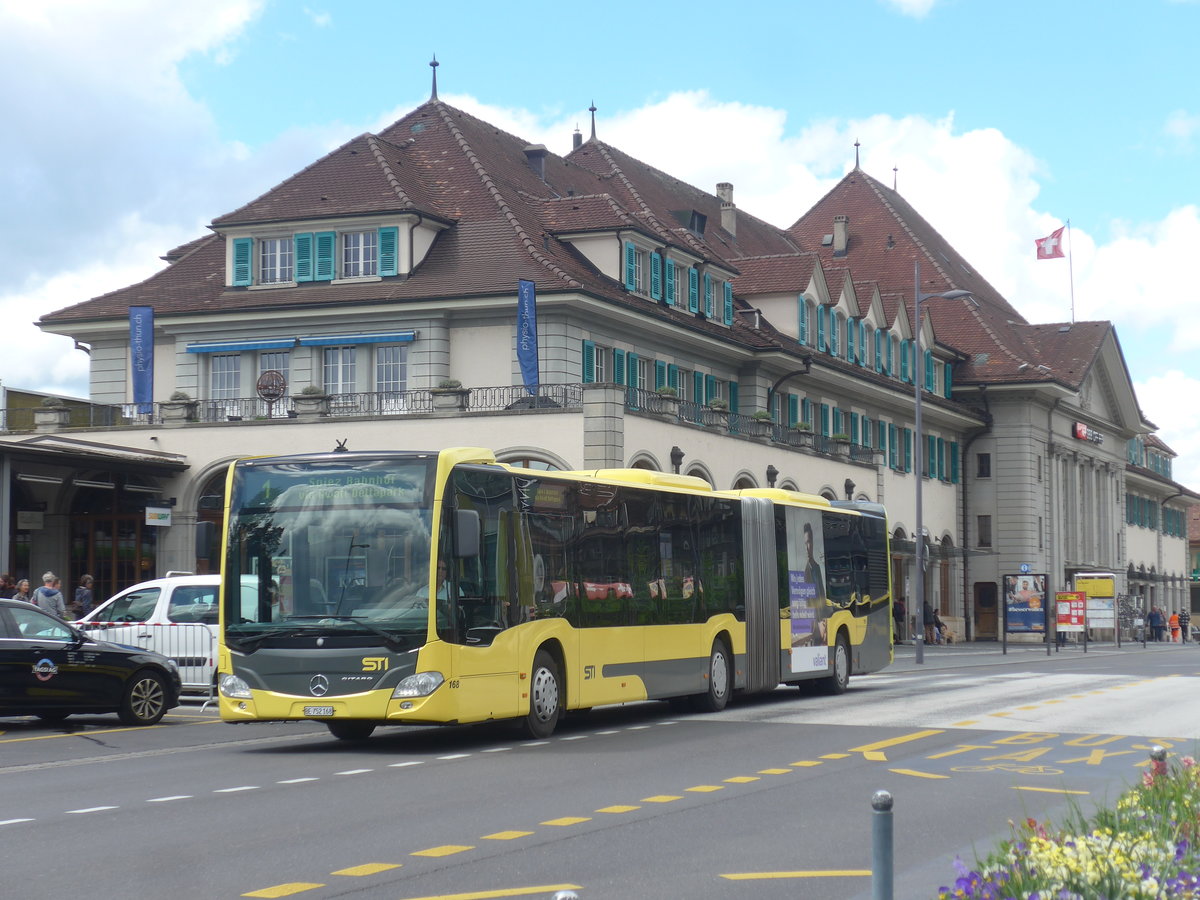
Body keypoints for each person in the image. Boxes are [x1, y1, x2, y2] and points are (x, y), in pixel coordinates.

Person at [802, 522, 825, 600]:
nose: (807, 548)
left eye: (808, 542)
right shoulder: (805, 571)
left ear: (812, 543)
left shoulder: (818, 567)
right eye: (805, 544)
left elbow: (822, 595)